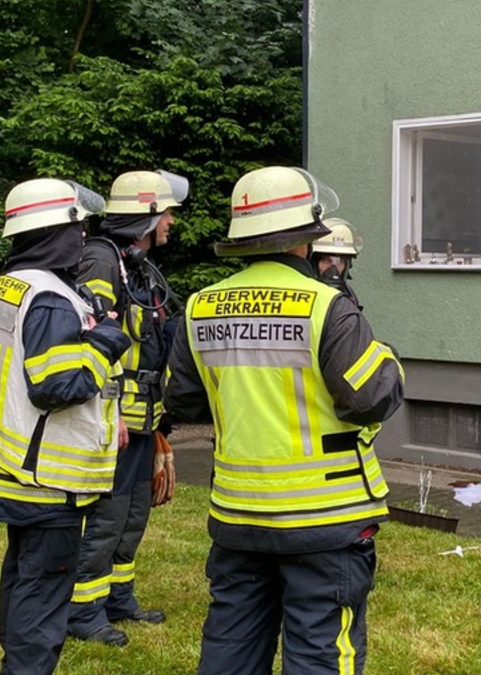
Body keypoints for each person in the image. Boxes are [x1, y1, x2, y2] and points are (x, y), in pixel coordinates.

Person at [163, 166, 405, 675]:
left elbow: (183, 400)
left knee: (231, 646)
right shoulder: (329, 307)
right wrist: (388, 359)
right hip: (324, 519)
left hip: (238, 515)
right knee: (320, 653)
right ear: (305, 237)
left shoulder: (200, 307)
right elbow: (370, 398)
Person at [0, 178, 130, 675]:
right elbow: (58, 386)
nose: (84, 238)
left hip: (12, 466)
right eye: (78, 228)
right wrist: (106, 340)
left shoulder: (14, 283)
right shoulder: (49, 296)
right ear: (55, 232)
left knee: (24, 580)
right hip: (45, 478)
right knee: (44, 593)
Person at [68, 170, 189, 647]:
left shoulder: (137, 266)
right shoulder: (102, 261)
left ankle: (119, 598)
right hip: (114, 418)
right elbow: (91, 334)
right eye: (167, 213)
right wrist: (111, 410)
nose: (172, 223)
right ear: (147, 216)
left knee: (133, 514)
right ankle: (83, 610)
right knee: (107, 517)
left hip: (142, 417)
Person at [308, 217, 364, 308]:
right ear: (313, 262)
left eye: (340, 261)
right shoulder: (304, 294)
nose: (333, 268)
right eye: (326, 261)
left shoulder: (348, 294)